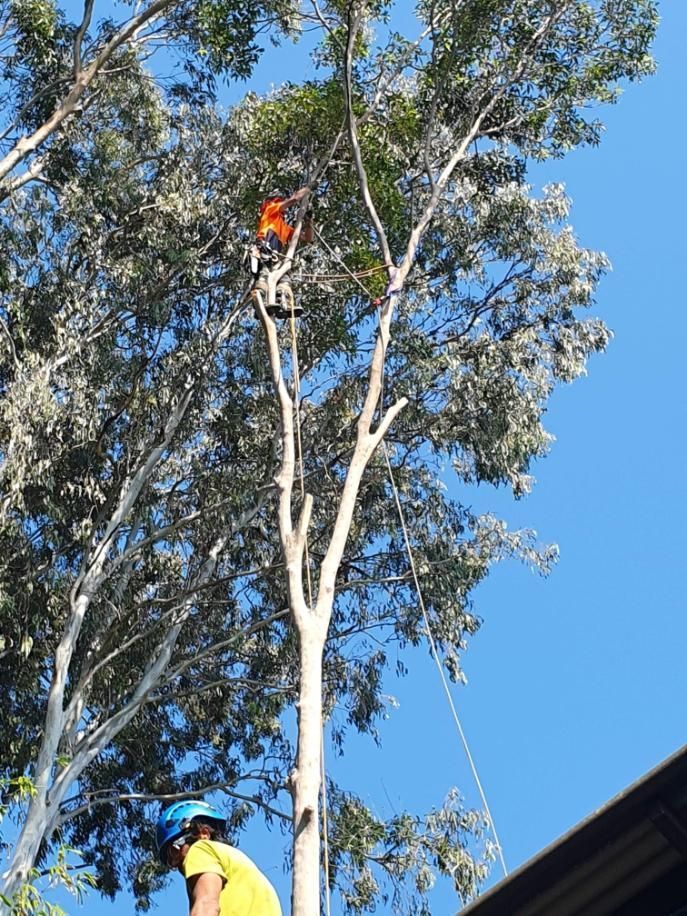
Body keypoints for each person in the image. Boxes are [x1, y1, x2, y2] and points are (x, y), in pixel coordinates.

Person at [156, 799, 282, 916]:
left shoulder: (200, 850)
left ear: (204, 834)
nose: (175, 862)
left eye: (174, 850)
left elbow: (207, 905)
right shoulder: (238, 863)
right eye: (169, 859)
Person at [249, 186, 313, 319]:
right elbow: (294, 199)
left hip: (276, 255)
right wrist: (307, 189)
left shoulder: (284, 226)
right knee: (264, 276)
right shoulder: (270, 209)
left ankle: (282, 301)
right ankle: (261, 302)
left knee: (284, 277)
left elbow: (307, 238)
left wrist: (309, 222)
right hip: (265, 247)